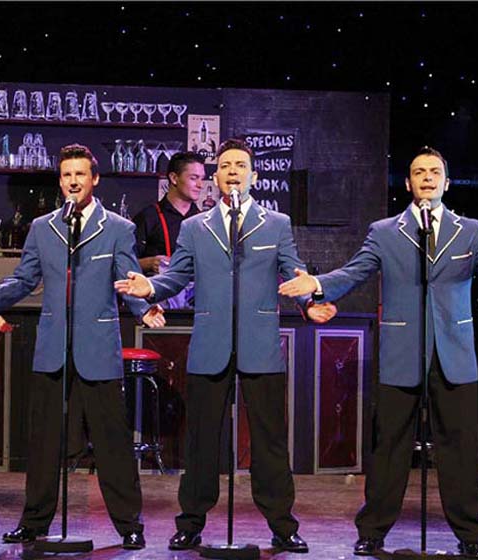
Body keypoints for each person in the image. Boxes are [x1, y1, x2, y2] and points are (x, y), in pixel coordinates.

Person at [278, 147, 478, 559]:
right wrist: (318, 285)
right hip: (401, 352)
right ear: (408, 183)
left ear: (447, 182)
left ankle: (470, 534)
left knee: (460, 448)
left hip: (453, 353)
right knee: (390, 447)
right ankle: (372, 531)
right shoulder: (385, 231)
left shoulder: (470, 231)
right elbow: (355, 271)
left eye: (434, 172)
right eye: (419, 172)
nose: (427, 177)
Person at [116, 138, 337, 553]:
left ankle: (282, 525)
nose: (233, 171)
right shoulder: (196, 227)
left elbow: (294, 273)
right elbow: (177, 276)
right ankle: (190, 523)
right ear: (216, 177)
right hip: (211, 344)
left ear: (254, 175)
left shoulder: (276, 224)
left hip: (260, 345)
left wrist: (311, 303)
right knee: (201, 440)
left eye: (240, 165)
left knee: (270, 441)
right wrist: (150, 288)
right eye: (226, 166)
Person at [0, 144, 164, 550]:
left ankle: (129, 525)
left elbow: (127, 279)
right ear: (60, 181)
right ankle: (34, 522)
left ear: (94, 179)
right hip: (52, 348)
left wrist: (143, 307)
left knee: (112, 443)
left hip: (98, 348)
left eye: (80, 174)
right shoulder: (44, 227)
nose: (73, 182)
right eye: (67, 175)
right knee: (45, 442)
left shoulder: (118, 228)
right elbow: (24, 279)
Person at [132, 151, 205, 309]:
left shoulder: (205, 221)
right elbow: (125, 264)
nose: (200, 185)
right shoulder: (148, 217)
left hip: (198, 303)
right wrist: (150, 263)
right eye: (194, 178)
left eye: (202, 178)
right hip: (159, 305)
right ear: (174, 178)